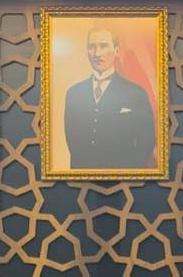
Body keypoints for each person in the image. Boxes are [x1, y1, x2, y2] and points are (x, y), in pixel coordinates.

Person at [63, 27, 156, 170]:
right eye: (92, 47)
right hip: (84, 177)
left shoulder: (136, 93)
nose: (97, 53)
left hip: (122, 177)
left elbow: (146, 141)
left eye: (103, 46)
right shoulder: (74, 94)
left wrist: (126, 173)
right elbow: (73, 142)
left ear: (117, 50)